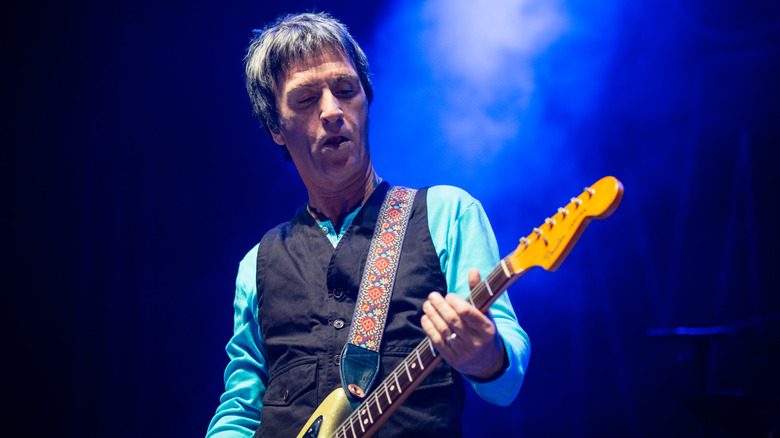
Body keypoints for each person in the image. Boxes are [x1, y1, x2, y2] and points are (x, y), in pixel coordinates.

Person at [206, 11, 531, 438]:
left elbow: (505, 382)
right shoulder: (257, 265)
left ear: (367, 101)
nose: (332, 111)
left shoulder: (448, 214)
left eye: (345, 90)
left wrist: (486, 355)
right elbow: (240, 410)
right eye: (306, 99)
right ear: (274, 127)